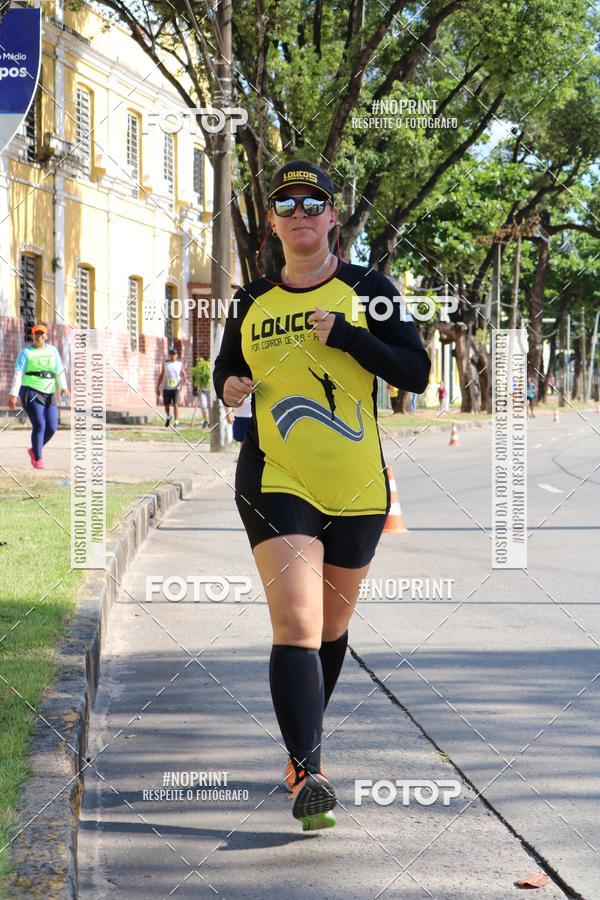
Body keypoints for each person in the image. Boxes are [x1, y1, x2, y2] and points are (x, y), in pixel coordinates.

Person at [213, 159, 431, 831]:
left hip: (360, 485)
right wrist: (228, 387)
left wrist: (353, 337)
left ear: (334, 216)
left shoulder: (370, 287)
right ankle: (308, 771)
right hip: (275, 477)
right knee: (298, 626)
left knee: (331, 629)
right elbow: (227, 366)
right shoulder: (250, 301)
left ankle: (302, 748)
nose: (301, 211)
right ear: (273, 222)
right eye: (287, 203)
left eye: (314, 201)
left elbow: (416, 373)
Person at [7, 322, 69, 469]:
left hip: (49, 392)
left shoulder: (53, 351)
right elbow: (18, 373)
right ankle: (38, 459)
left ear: (46, 336)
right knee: (40, 424)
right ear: (33, 336)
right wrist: (13, 394)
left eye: (42, 334)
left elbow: (59, 369)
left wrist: (64, 387)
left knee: (52, 426)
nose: (39, 336)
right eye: (37, 334)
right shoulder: (26, 352)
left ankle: (35, 450)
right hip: (31, 390)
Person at [156, 346, 186, 427]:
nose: (173, 356)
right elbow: (161, 375)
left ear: (177, 355)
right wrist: (158, 386)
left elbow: (183, 374)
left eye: (174, 354)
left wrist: (184, 383)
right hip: (166, 387)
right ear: (169, 355)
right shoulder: (166, 364)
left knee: (175, 404)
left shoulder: (179, 364)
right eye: (171, 354)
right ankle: (168, 416)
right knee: (166, 405)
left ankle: (176, 421)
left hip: (176, 387)